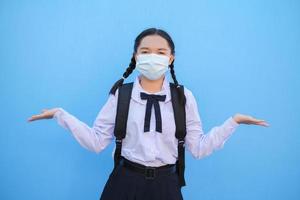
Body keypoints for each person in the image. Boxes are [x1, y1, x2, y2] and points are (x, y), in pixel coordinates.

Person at [28, 28, 269, 200]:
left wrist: (233, 122)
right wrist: (61, 115)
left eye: (161, 52)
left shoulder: (183, 97)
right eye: (146, 51)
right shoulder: (120, 95)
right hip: (123, 181)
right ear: (136, 56)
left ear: (171, 58)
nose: (153, 56)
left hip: (167, 185)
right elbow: (96, 142)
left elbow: (198, 148)